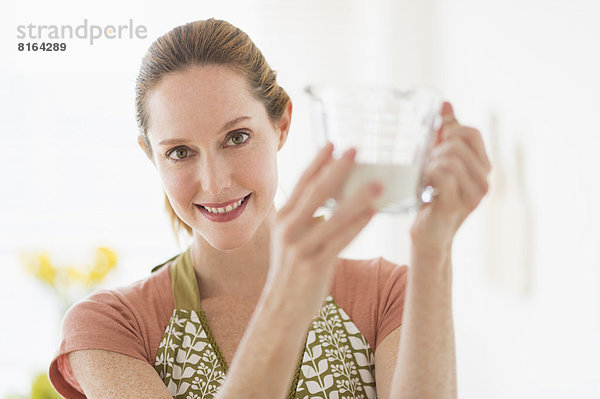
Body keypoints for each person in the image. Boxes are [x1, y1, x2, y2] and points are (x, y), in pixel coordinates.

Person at [48, 18, 491, 398]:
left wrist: (434, 247)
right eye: (180, 152)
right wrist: (291, 295)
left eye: (236, 138)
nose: (215, 182)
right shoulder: (109, 328)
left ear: (282, 125)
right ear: (151, 156)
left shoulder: (388, 294)